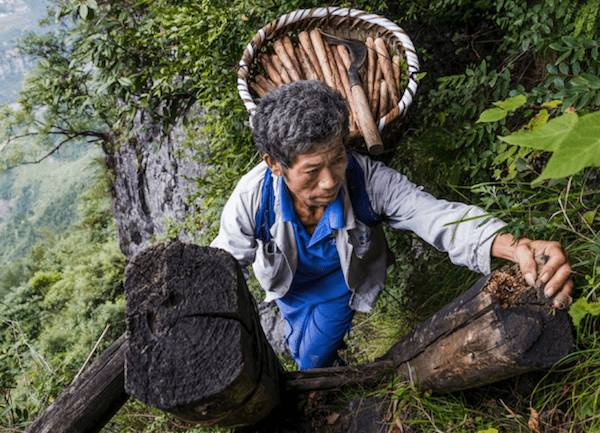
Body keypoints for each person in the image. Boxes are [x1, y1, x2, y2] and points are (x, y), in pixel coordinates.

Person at [210, 80, 573, 370]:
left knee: (311, 359)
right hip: (288, 286)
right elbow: (222, 265)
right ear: (274, 164)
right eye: (311, 170)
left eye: (337, 160)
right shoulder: (251, 200)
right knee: (299, 343)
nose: (328, 181)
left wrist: (513, 245)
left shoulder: (367, 182)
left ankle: (323, 381)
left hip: (339, 285)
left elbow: (433, 214)